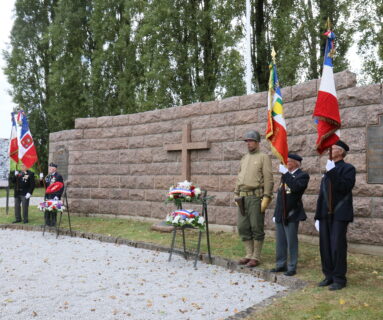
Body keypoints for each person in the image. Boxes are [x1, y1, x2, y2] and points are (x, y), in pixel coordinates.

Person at [315, 140, 355, 291]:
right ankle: (328, 275)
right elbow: (323, 195)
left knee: (337, 246)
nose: (330, 150)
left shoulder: (348, 168)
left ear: (341, 152)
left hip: (339, 213)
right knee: (324, 246)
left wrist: (332, 172)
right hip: (325, 214)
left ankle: (339, 278)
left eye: (333, 148)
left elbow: (344, 187)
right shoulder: (328, 169)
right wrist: (318, 216)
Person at [234, 130, 274, 267]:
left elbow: (268, 178)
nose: (248, 143)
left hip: (256, 197)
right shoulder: (244, 158)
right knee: (243, 226)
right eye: (247, 141)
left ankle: (256, 256)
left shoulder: (264, 157)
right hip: (242, 198)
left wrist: (267, 196)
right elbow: (239, 176)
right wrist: (236, 193)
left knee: (256, 227)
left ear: (257, 142)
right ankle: (248, 254)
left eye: (251, 141)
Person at [270, 154, 310, 276]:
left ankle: (292, 266)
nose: (286, 164)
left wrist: (286, 174)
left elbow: (296, 187)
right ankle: (281, 264)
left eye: (289, 162)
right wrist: (276, 213)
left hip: (292, 213)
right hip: (281, 213)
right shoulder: (285, 176)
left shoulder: (302, 175)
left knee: (291, 241)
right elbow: (281, 197)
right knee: (280, 241)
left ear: (296, 163)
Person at [44, 162, 64, 227]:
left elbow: (61, 187)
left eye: (51, 167)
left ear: (55, 169)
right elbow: (46, 186)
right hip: (48, 195)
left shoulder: (58, 176)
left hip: (55, 195)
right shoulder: (48, 176)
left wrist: (57, 196)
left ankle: (53, 222)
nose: (49, 168)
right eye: (49, 167)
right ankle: (47, 223)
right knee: (47, 209)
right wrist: (41, 180)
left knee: (53, 210)